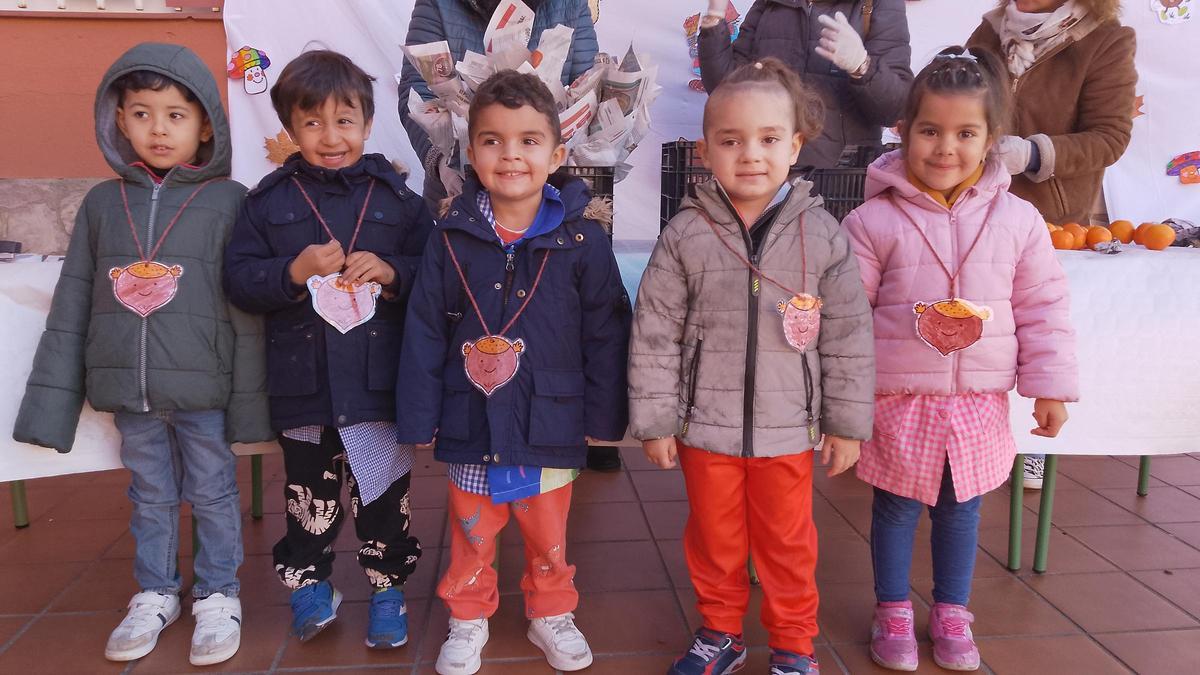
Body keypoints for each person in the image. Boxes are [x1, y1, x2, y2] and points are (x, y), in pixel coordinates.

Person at [13, 42, 272, 666]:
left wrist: (250, 402)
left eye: (176, 114)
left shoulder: (229, 202)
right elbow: (73, 303)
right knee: (150, 494)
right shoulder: (103, 205)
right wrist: (51, 404)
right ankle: (156, 592)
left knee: (212, 492)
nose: (159, 128)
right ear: (117, 120)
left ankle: (218, 595)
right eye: (141, 113)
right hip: (132, 392)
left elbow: (246, 313)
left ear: (205, 123)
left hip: (203, 389)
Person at [629, 58, 875, 675]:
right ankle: (720, 631)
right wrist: (656, 420)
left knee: (788, 544)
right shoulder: (684, 234)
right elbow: (654, 332)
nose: (751, 155)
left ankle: (794, 643)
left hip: (788, 430)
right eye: (731, 140)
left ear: (795, 145)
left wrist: (846, 424)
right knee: (715, 540)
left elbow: (847, 336)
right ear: (705, 149)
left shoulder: (823, 235)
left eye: (768, 139)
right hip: (704, 428)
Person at [842, 47, 1079, 671]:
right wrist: (838, 400)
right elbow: (845, 318)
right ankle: (892, 609)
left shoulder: (1020, 221)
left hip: (979, 400)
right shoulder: (871, 222)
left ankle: (952, 611)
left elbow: (1044, 307)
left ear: (992, 139)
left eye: (965, 133)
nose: (945, 148)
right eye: (930, 131)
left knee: (962, 507)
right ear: (904, 133)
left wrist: (1049, 388)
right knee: (893, 507)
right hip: (898, 399)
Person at [396, 70, 630, 675]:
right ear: (470, 152)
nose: (511, 155)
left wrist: (605, 418)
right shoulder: (450, 238)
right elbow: (424, 328)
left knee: (547, 527)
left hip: (550, 414)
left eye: (528, 141)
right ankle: (468, 615)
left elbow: (605, 330)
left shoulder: (584, 240)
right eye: (493, 141)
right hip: (469, 413)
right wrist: (419, 416)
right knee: (473, 527)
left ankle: (550, 610)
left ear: (556, 155)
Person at [223, 50, 434, 648]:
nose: (330, 136)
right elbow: (239, 280)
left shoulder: (398, 200)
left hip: (376, 387)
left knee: (384, 497)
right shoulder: (267, 202)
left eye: (345, 120)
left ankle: (387, 589)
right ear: (289, 129)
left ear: (368, 124)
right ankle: (311, 585)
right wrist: (291, 271)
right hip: (304, 387)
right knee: (307, 501)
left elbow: (436, 276)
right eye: (311, 122)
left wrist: (393, 272)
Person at [967, 0, 1135, 490]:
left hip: (1051, 216)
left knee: (1041, 331)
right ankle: (977, 441)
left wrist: (1036, 151)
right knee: (983, 329)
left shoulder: (1104, 38)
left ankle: (1034, 444)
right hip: (979, 206)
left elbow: (1110, 136)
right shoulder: (990, 30)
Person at [697, 0, 913, 169]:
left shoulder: (876, 4)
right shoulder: (769, 3)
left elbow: (893, 110)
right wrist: (715, 19)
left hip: (841, 183)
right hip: (770, 177)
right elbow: (727, 91)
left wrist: (861, 66)